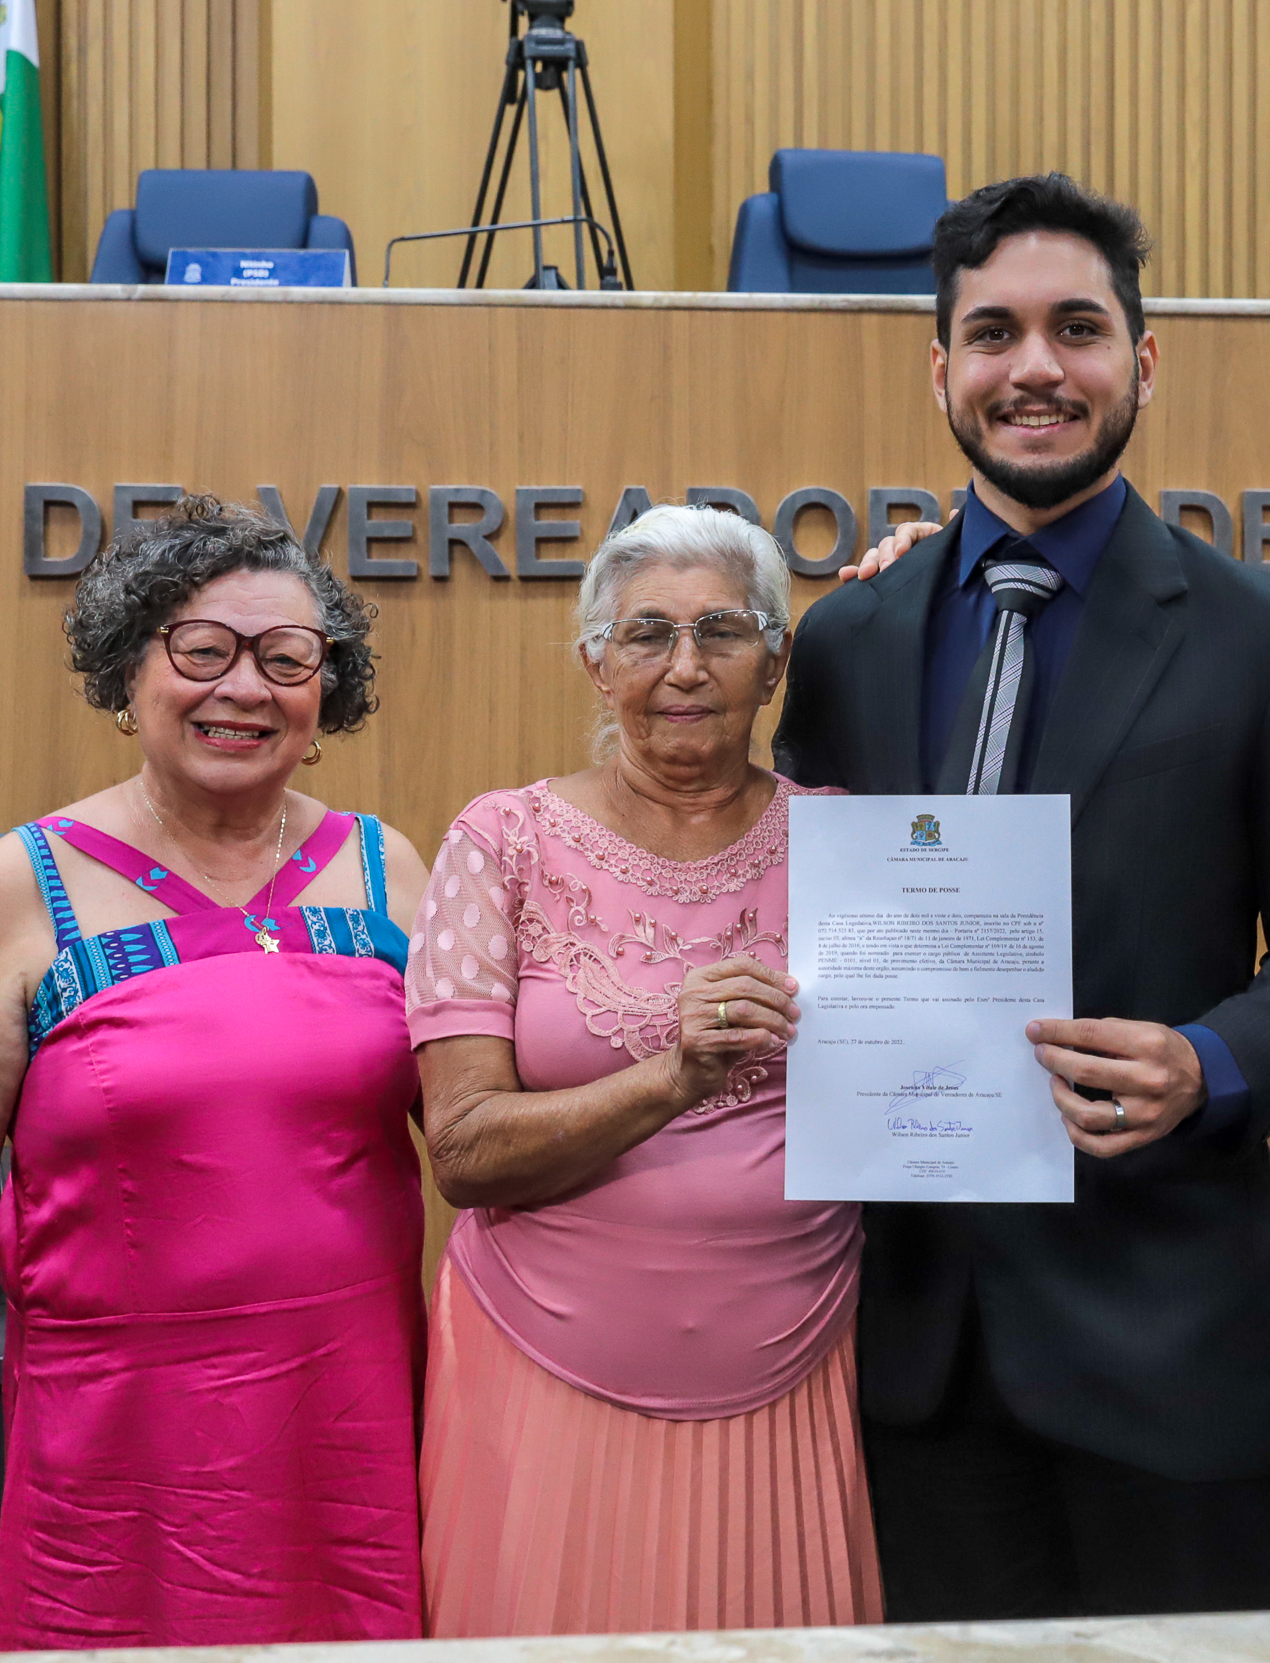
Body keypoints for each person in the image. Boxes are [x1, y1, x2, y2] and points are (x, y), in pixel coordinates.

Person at [774, 175, 1270, 1621]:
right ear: (941, 368)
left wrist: (1211, 1060)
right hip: (919, 1356)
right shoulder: (851, 636)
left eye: (1077, 328)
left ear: (1143, 361)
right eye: (993, 333)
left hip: (1175, 1346)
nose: (1034, 367)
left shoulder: (1262, 638)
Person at [0, 498, 433, 1651]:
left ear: (326, 689)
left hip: (352, 1425)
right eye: (202, 649)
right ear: (128, 669)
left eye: (286, 657)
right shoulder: (20, 886)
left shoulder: (386, 869)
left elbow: (477, 1133)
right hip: (119, 1456)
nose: (243, 687)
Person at [406, 504, 879, 1637]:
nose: (686, 666)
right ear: (596, 661)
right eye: (648, 633)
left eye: (723, 630)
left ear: (774, 663)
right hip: (541, 1368)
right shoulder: (502, 842)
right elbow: (461, 1152)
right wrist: (673, 1076)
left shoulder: (856, 845)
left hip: (797, 1364)